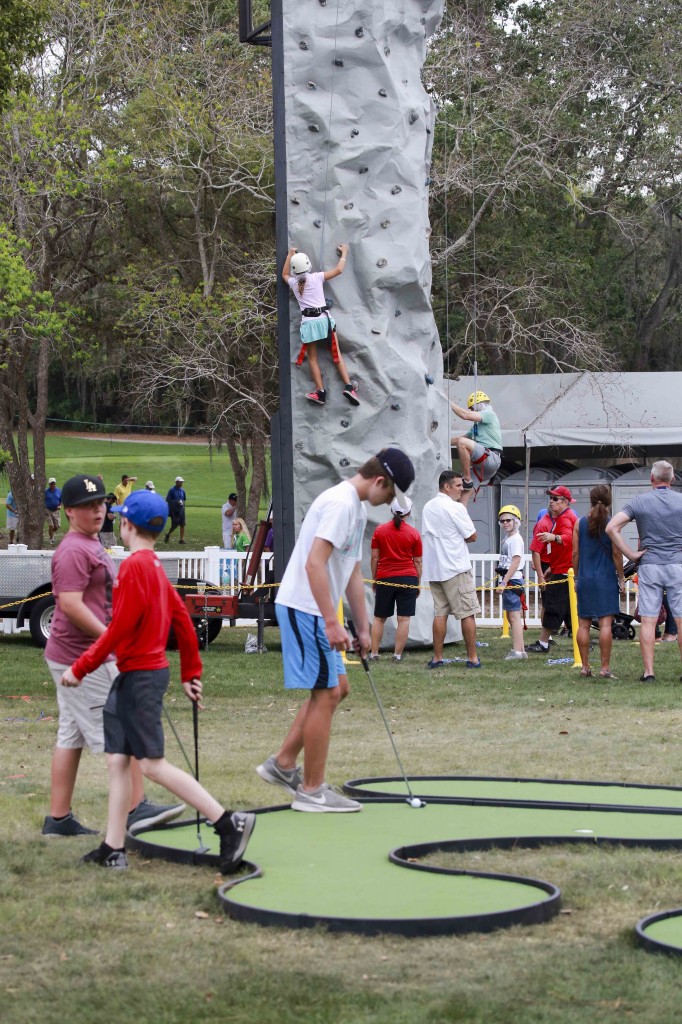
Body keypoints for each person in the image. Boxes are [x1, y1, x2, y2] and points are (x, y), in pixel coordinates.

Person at [60, 489, 255, 871]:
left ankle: (227, 821)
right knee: (118, 760)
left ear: (127, 523)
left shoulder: (134, 567)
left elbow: (117, 630)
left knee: (150, 765)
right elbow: (183, 621)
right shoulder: (153, 566)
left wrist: (80, 668)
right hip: (134, 677)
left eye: (119, 517)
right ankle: (113, 847)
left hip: (140, 678)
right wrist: (190, 672)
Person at [256, 448, 415, 812]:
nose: (388, 502)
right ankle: (311, 791)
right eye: (390, 494)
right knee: (326, 693)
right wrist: (331, 621)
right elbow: (314, 565)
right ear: (380, 481)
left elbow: (351, 571)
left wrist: (362, 627)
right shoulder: (341, 504)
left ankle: (282, 764)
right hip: (305, 607)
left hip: (315, 609)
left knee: (337, 688)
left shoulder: (355, 507)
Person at [42, 475, 184, 839]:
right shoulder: (73, 550)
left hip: (77, 654)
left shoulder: (91, 543)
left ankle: (58, 820)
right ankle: (136, 809)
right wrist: (111, 640)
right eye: (88, 505)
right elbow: (70, 605)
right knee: (117, 734)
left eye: (101, 503)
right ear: (68, 510)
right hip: (81, 656)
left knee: (70, 735)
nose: (97, 510)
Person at [606, 460, 682, 683]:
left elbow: (611, 527)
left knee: (648, 621)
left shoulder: (640, 501)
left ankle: (649, 673)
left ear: (651, 478)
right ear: (673, 479)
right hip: (677, 565)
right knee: (680, 619)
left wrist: (630, 554)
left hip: (650, 565)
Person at [283, 244, 360, 407]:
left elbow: (284, 274)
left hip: (309, 324)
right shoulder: (317, 277)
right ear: (309, 265)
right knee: (336, 354)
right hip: (324, 321)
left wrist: (290, 255)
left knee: (312, 359)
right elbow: (339, 270)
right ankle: (348, 387)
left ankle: (320, 392)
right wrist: (344, 253)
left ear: (295, 270)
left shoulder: (293, 283)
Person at [421, 470, 482, 670]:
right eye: (457, 486)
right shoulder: (455, 508)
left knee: (440, 614)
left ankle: (437, 657)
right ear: (446, 487)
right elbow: (472, 536)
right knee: (468, 613)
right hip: (455, 567)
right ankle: (472, 658)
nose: (461, 489)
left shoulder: (428, 507)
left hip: (435, 569)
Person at [572, 485, 624, 678]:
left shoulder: (579, 523)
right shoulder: (612, 524)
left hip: (585, 578)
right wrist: (621, 578)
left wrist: (577, 577)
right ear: (609, 501)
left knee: (583, 625)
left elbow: (575, 552)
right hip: (606, 579)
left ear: (591, 500)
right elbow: (616, 553)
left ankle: (585, 667)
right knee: (605, 625)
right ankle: (605, 668)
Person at [526, 486, 579, 654]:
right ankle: (582, 640)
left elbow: (569, 539)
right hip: (562, 569)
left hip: (564, 571)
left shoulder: (565, 518)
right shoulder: (565, 517)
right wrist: (550, 569)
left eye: (555, 499)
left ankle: (543, 643)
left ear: (565, 502)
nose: (551, 501)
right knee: (569, 609)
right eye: (550, 498)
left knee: (552, 607)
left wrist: (553, 537)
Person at [369, 496, 422, 662]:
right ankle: (397, 655)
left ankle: (374, 653)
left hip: (385, 577)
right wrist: (418, 582)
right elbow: (418, 561)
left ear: (392, 510)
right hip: (408, 578)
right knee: (404, 619)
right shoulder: (414, 533)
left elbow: (374, 557)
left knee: (379, 617)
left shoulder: (380, 531)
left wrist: (375, 578)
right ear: (409, 512)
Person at [450, 391, 503, 505]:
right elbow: (458, 439)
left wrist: (448, 403)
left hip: (491, 457)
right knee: (461, 499)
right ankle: (461, 520)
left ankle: (467, 479)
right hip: (481, 468)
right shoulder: (477, 427)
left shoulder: (489, 414)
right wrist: (440, 441)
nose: (471, 412)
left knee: (462, 443)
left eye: (472, 409)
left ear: (479, 406)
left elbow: (465, 415)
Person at [495, 504, 528, 661]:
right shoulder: (509, 538)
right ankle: (520, 650)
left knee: (513, 616)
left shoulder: (515, 539)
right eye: (502, 521)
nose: (505, 523)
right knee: (512, 615)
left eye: (508, 520)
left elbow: (515, 562)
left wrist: (504, 582)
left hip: (512, 579)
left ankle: (517, 651)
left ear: (516, 521)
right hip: (511, 578)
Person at [164, 476, 187, 544]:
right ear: (176, 482)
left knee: (182, 524)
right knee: (175, 524)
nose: (182, 483)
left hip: (181, 509)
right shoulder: (171, 490)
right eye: (181, 482)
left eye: (182, 482)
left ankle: (181, 539)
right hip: (174, 510)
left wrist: (182, 503)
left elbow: (184, 499)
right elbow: (168, 500)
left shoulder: (183, 490)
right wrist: (176, 502)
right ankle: (168, 533)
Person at [44, 477, 63, 545]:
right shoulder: (46, 492)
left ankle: (50, 532)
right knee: (51, 525)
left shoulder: (59, 491)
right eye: (51, 484)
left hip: (56, 511)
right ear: (49, 484)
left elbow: (61, 500)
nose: (53, 485)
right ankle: (51, 539)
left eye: (54, 484)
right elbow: (42, 500)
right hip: (47, 510)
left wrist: (60, 506)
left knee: (57, 526)